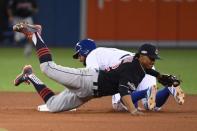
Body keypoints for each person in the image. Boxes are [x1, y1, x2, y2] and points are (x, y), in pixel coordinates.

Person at [13, 22, 181, 115]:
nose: (153, 61)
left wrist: (159, 76)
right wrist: (133, 110)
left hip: (89, 90)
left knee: (52, 100)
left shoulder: (134, 63)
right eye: (151, 58)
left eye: (154, 59)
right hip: (89, 82)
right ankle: (34, 44)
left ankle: (31, 62)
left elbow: (145, 71)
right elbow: (124, 88)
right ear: (142, 56)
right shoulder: (133, 64)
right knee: (48, 72)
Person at [72, 39, 185, 111]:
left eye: (79, 55)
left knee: (120, 104)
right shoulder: (104, 52)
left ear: (85, 51)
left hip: (128, 69)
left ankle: (146, 92)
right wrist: (159, 76)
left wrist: (72, 101)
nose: (79, 59)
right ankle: (169, 87)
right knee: (152, 105)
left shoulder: (92, 55)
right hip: (144, 66)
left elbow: (90, 78)